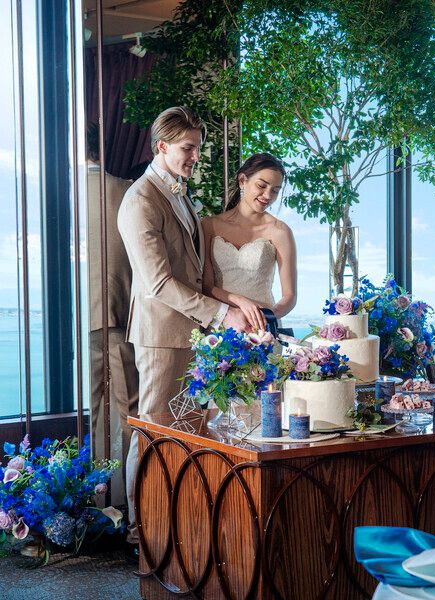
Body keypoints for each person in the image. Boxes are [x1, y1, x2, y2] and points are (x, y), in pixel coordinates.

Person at [117, 107, 249, 548]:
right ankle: (141, 532)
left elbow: (191, 270)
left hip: (191, 334)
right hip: (160, 337)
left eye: (198, 148)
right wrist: (219, 314)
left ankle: (177, 525)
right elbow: (157, 282)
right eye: (188, 148)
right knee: (154, 431)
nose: (195, 156)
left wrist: (225, 306)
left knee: (188, 428)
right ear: (162, 146)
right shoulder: (140, 200)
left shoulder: (178, 193)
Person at [86, 123, 139, 504]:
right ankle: (129, 503)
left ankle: (98, 499)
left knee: (97, 412)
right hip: (121, 314)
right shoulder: (127, 191)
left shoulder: (63, 195)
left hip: (83, 317)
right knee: (128, 412)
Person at [201, 153, 297, 330]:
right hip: (221, 324)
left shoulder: (281, 232)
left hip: (262, 327)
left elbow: (290, 296)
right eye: (262, 185)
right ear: (242, 181)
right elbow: (206, 286)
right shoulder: (208, 226)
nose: (267, 195)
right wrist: (240, 302)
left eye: (275, 190)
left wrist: (267, 317)